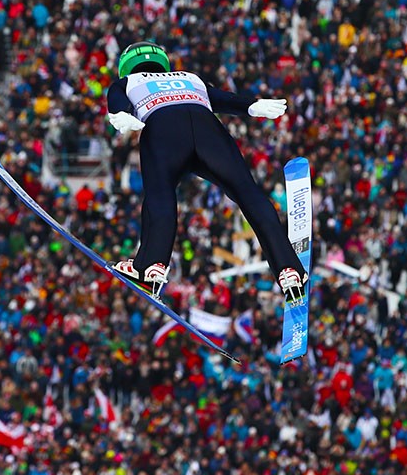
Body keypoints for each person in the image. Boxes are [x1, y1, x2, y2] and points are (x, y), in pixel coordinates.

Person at [105, 40, 308, 300]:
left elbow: (116, 100)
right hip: (208, 131)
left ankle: (151, 266)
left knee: (160, 194)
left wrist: (120, 114)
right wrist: (252, 105)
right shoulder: (190, 77)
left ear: (126, 65)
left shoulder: (127, 82)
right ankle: (289, 270)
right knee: (247, 193)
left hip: (163, 129)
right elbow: (222, 98)